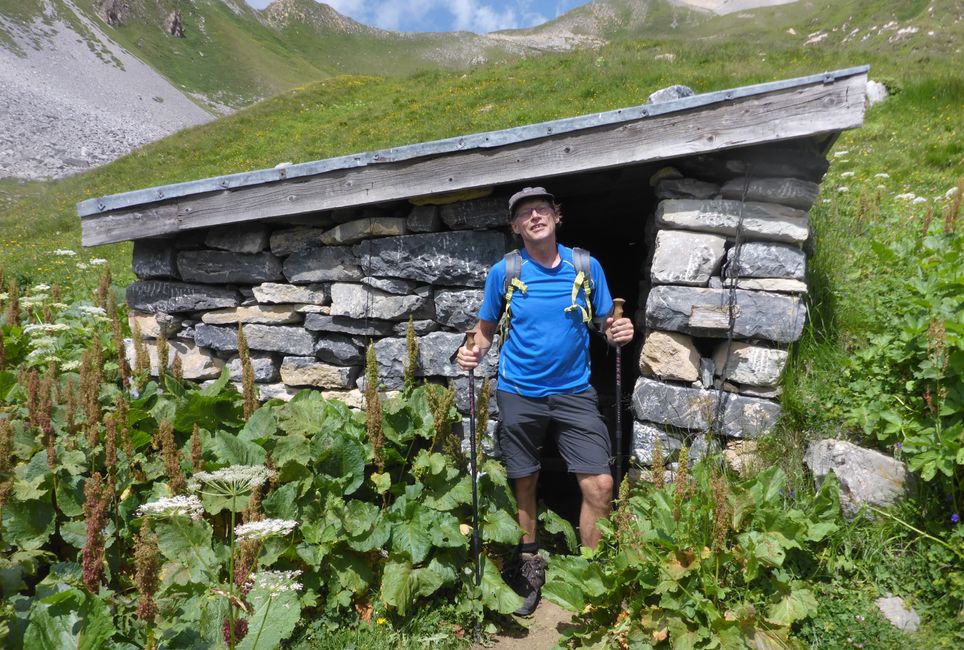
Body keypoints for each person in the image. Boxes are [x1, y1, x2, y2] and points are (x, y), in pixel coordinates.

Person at [456, 186, 634, 616]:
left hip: (575, 392)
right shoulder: (505, 271)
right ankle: (528, 566)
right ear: (516, 227)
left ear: (557, 217)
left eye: (542, 210)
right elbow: (484, 330)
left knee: (601, 484)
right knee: (525, 481)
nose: (535, 216)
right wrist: (469, 351)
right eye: (524, 214)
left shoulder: (585, 266)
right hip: (519, 390)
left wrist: (618, 331)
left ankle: (592, 576)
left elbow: (609, 321)